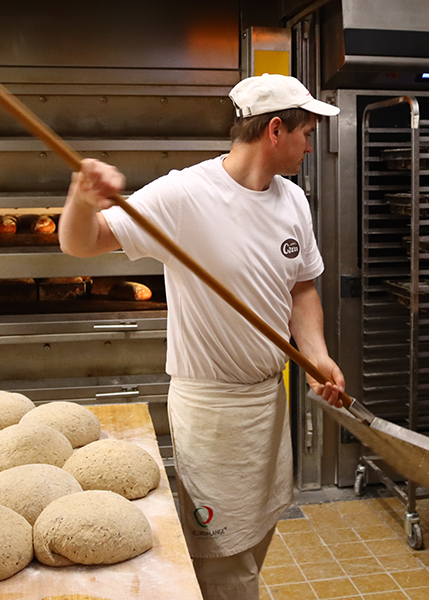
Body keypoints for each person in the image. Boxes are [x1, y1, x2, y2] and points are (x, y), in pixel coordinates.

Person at [58, 73, 346, 600]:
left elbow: (302, 288)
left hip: (268, 398)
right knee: (220, 561)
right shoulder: (185, 194)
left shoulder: (294, 201)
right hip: (212, 411)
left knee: (255, 539)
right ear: (275, 130)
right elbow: (82, 244)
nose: (310, 145)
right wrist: (80, 198)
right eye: (306, 132)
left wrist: (317, 355)